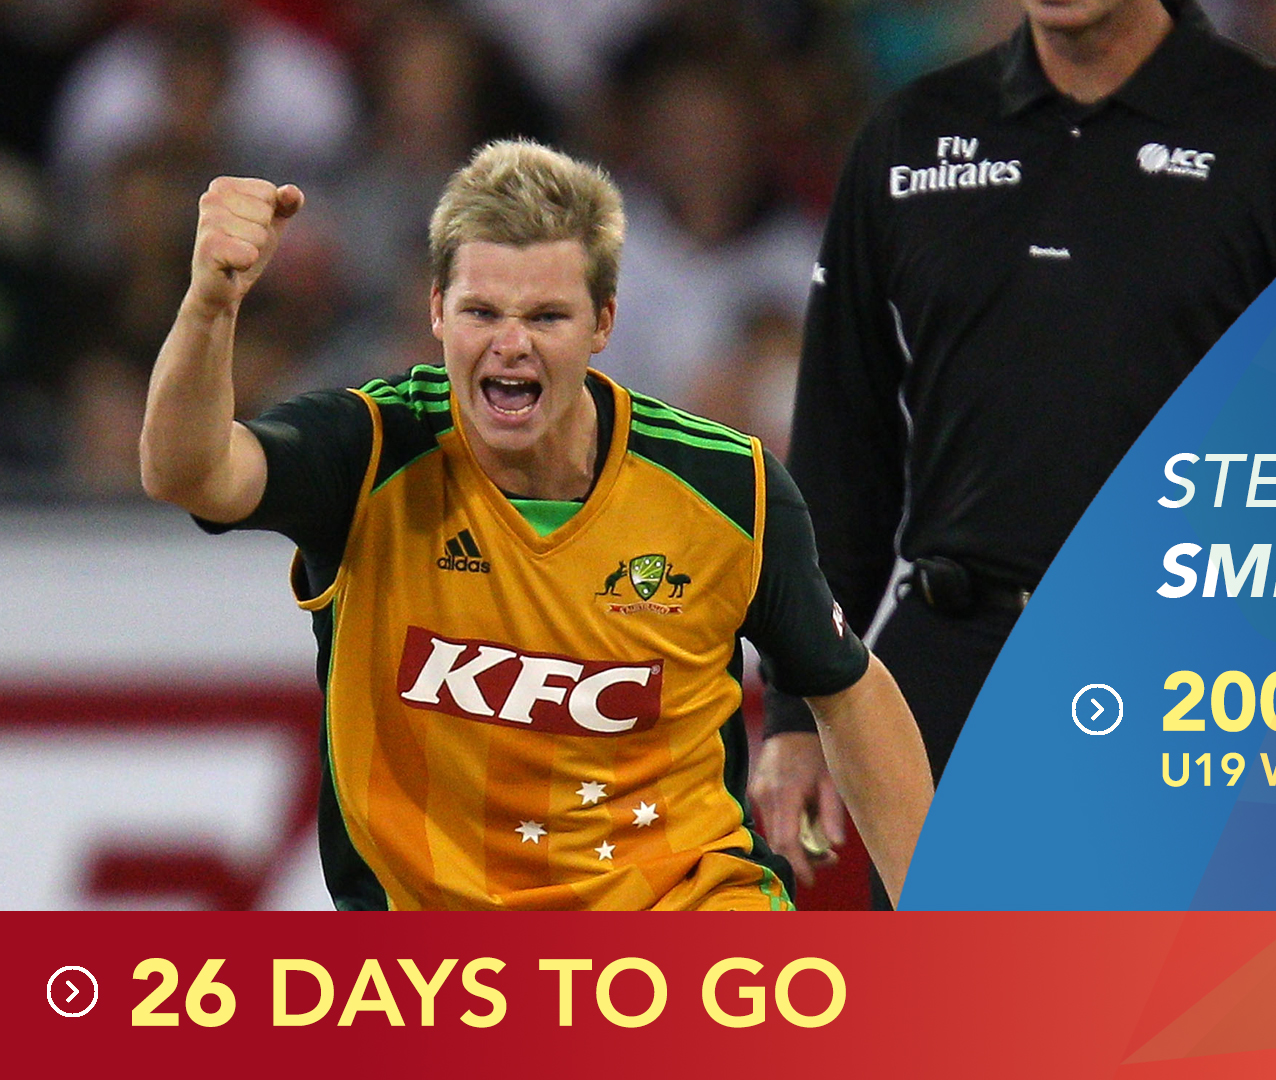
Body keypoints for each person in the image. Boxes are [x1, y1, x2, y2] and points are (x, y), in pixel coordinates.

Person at [139, 139, 933, 910]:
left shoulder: (728, 489)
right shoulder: (368, 454)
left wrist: (941, 923)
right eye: (482, 311)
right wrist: (211, 305)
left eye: (547, 316)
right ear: (437, 311)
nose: (511, 345)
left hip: (688, 925)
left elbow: (849, 690)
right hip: (441, 961)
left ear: (603, 323)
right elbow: (188, 473)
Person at [750, 0, 1276, 903]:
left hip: (1189, 672)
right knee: (943, 996)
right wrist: (799, 710)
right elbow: (842, 449)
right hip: (950, 669)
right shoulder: (910, 135)